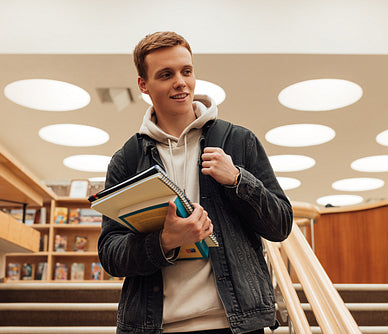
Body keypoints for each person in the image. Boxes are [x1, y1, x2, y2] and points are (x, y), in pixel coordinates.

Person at [98, 31, 293, 334]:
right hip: (155, 326)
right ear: (143, 85)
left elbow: (281, 225)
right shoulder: (127, 159)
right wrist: (164, 242)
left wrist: (239, 180)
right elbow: (110, 253)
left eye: (186, 71)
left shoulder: (238, 141)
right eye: (166, 74)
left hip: (236, 323)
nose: (180, 82)